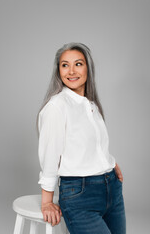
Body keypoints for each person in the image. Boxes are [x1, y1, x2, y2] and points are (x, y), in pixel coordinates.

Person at [37, 42, 126, 233]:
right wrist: (47, 201)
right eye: (64, 65)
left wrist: (110, 163)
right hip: (80, 194)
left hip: (112, 189)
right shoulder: (57, 107)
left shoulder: (90, 105)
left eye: (78, 64)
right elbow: (50, 155)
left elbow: (89, 143)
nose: (71, 71)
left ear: (88, 68)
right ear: (58, 70)